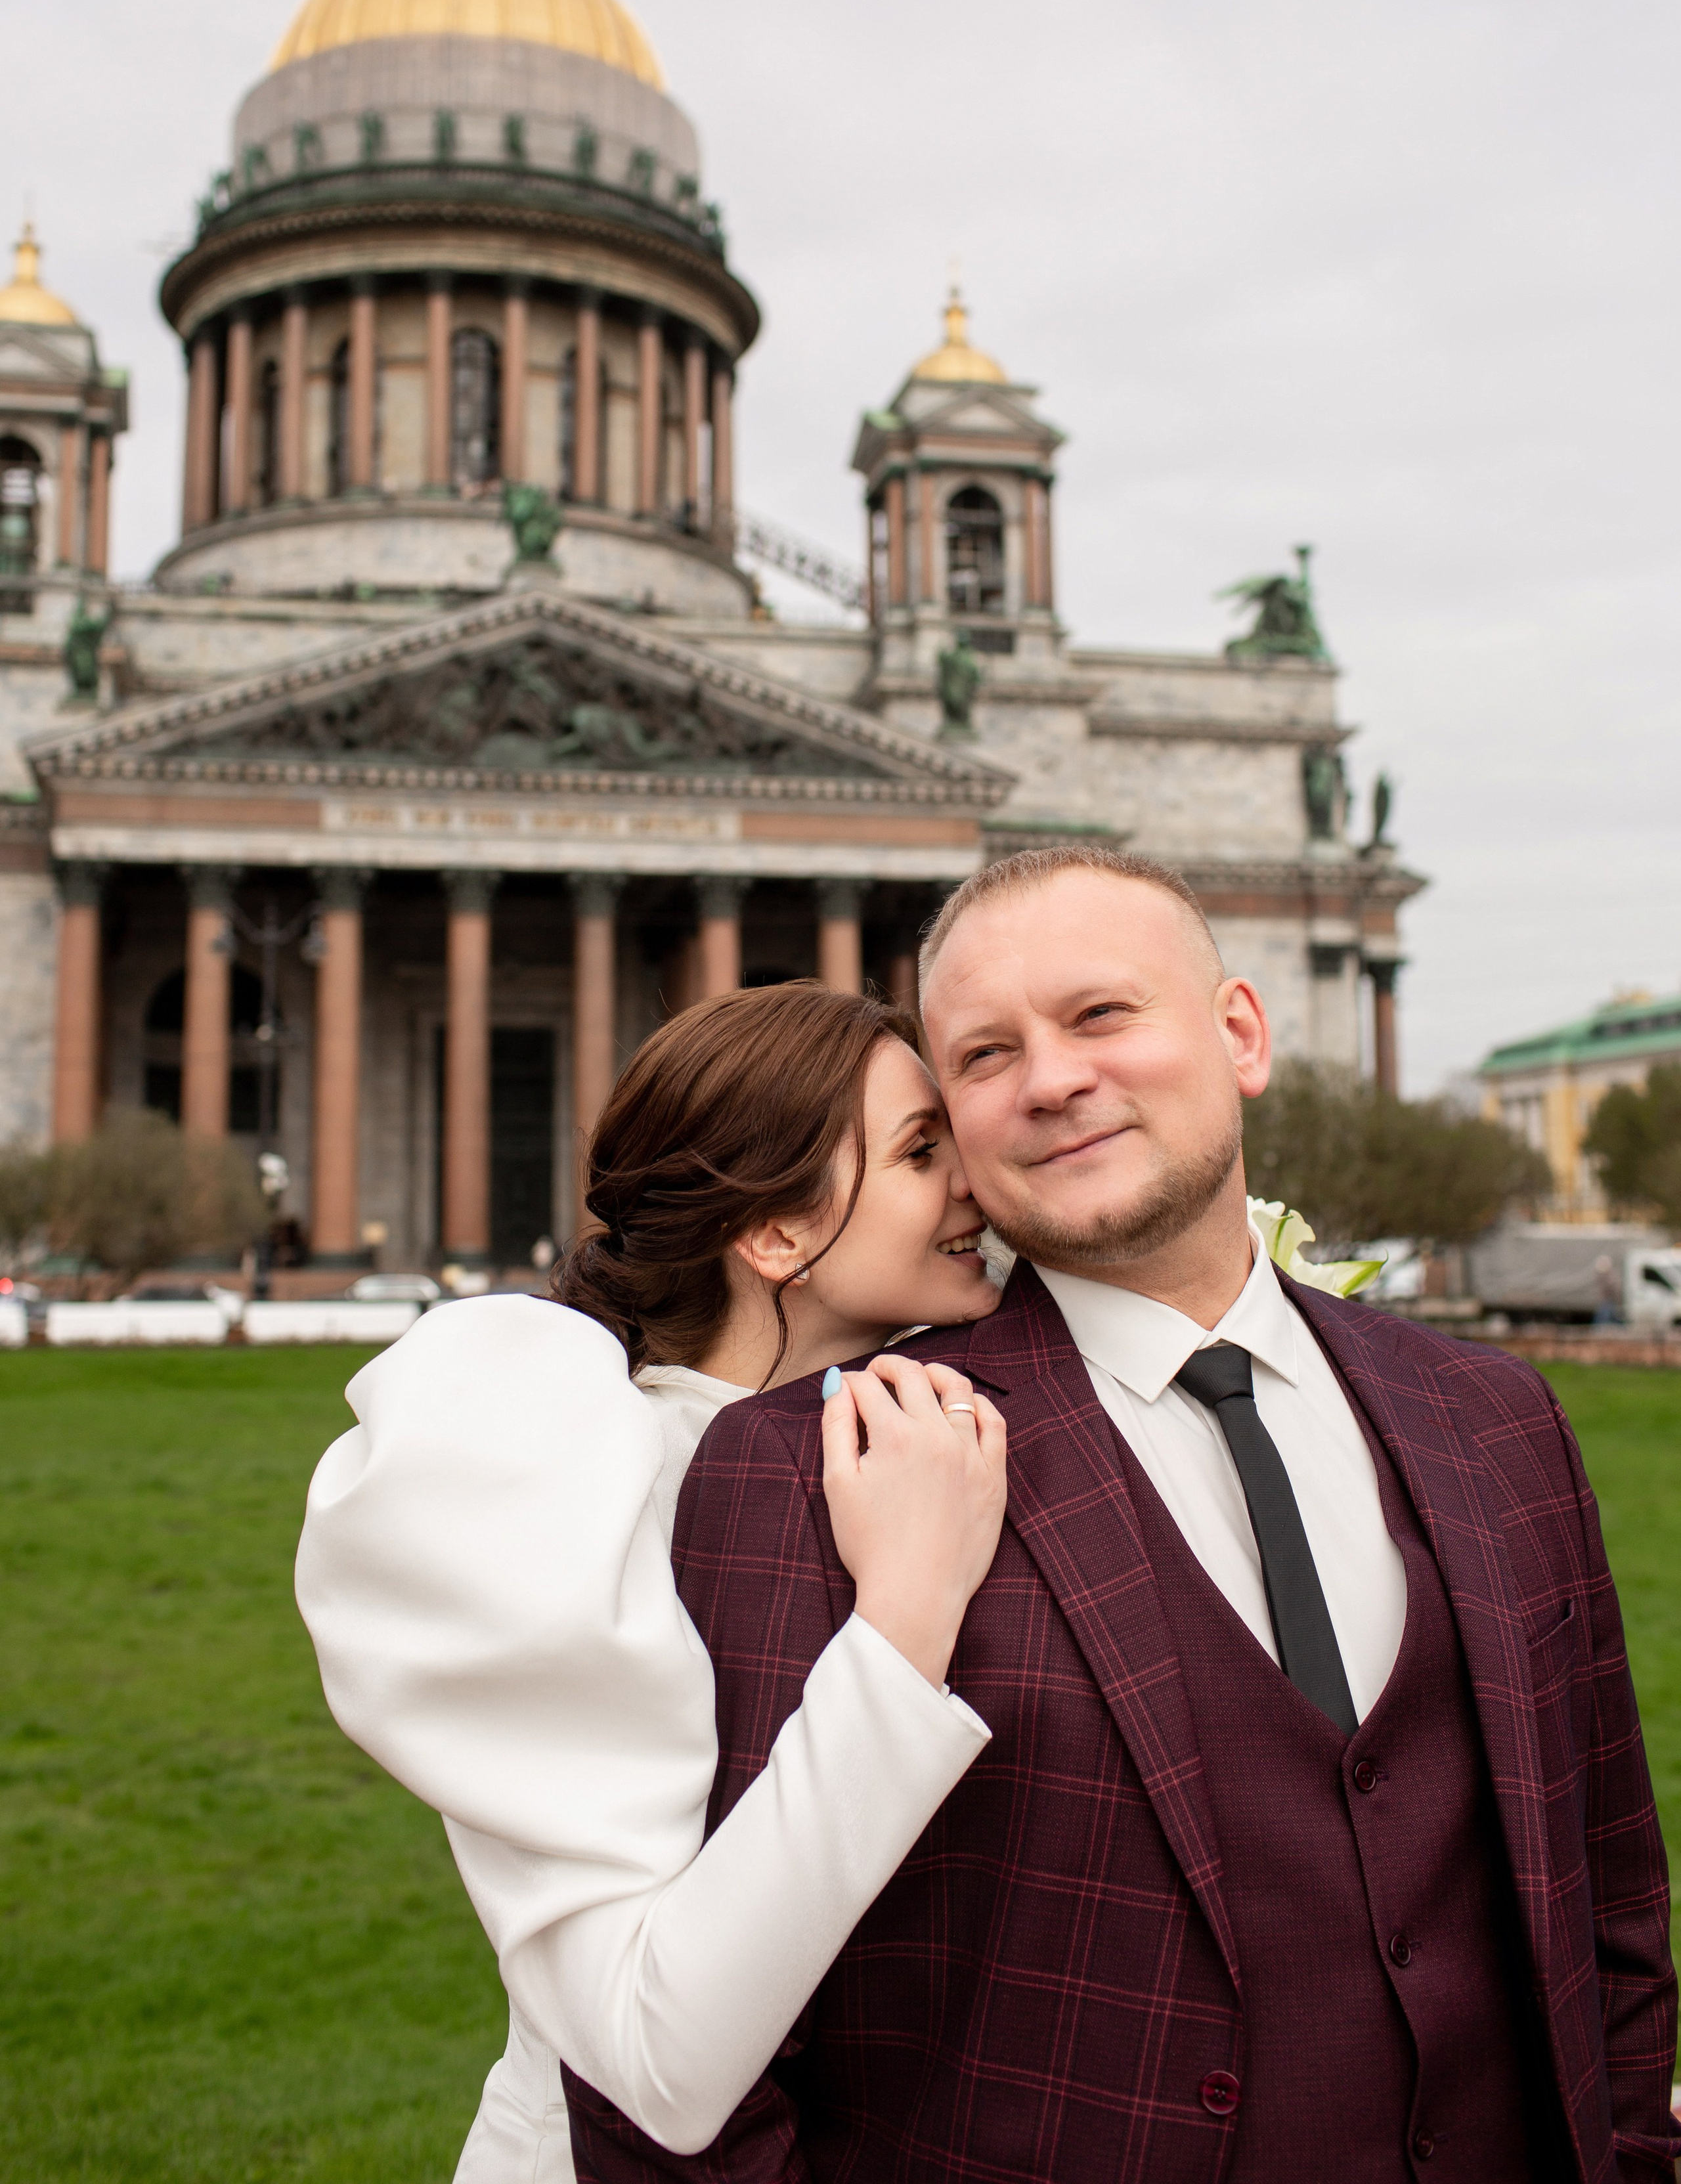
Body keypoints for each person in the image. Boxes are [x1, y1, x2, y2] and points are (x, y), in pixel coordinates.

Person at [567, 846, 1680, 2184]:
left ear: (1238, 1036)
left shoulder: (1492, 1419)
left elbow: (1609, 1907)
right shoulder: (807, 1461)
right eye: (981, 1057)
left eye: (1100, 1016)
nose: (1048, 1080)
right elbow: (681, 2081)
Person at [295, 984, 1007, 2182]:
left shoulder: (926, 1435)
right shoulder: (570, 1481)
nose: (979, 1179)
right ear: (776, 1235)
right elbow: (657, 2055)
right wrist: (904, 1628)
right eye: (920, 1152)